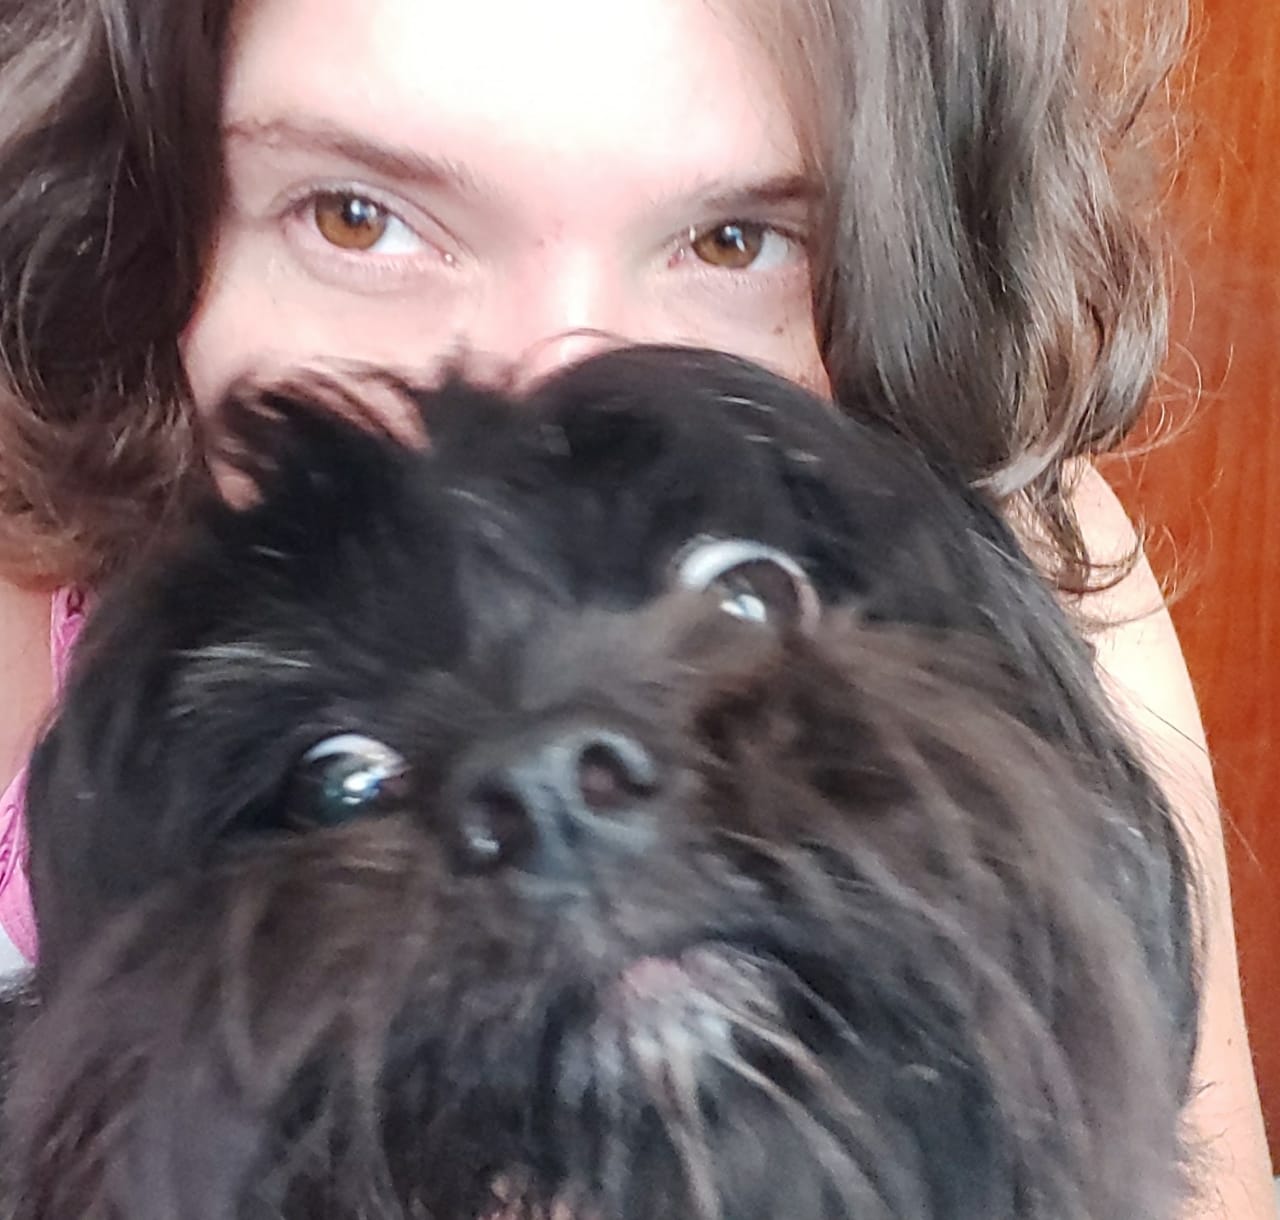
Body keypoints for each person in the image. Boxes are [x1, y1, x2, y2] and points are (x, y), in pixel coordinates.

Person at [0, 0, 1273, 1212]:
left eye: (732, 242)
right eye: (357, 217)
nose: (558, 376)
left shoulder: (1043, 563)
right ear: (138, 216)